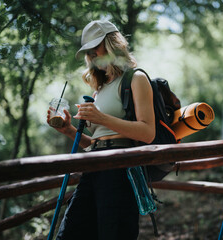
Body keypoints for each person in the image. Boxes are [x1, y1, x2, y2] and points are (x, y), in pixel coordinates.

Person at [47, 19, 155, 239]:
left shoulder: (136, 78)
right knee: (70, 233)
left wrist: (101, 118)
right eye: (89, 51)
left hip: (120, 170)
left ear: (112, 43)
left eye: (96, 46)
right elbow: (98, 141)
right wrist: (69, 129)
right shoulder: (100, 89)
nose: (92, 54)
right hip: (93, 167)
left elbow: (147, 132)